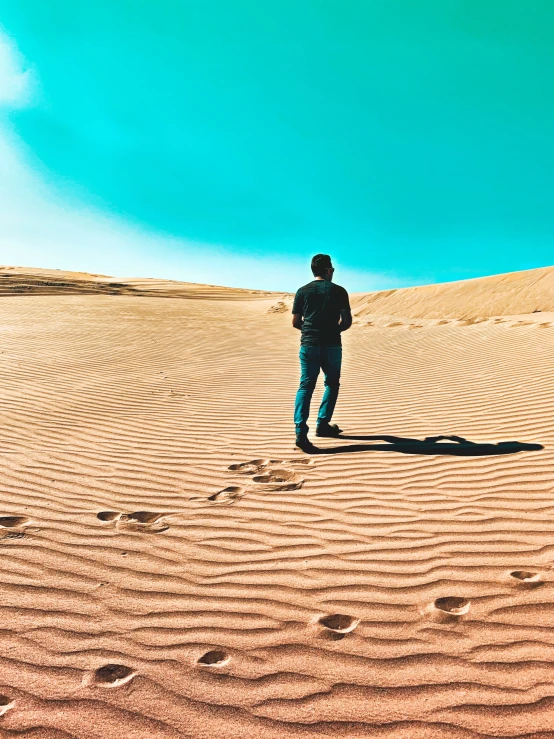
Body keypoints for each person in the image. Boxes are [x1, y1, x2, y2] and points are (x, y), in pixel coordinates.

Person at [292, 254, 352, 451]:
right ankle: (323, 424)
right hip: (332, 345)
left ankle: (301, 431)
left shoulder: (302, 291)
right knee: (332, 384)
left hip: (308, 344)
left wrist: (311, 330)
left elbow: (296, 322)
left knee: (305, 386)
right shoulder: (339, 291)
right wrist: (334, 330)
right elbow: (347, 322)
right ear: (329, 270)